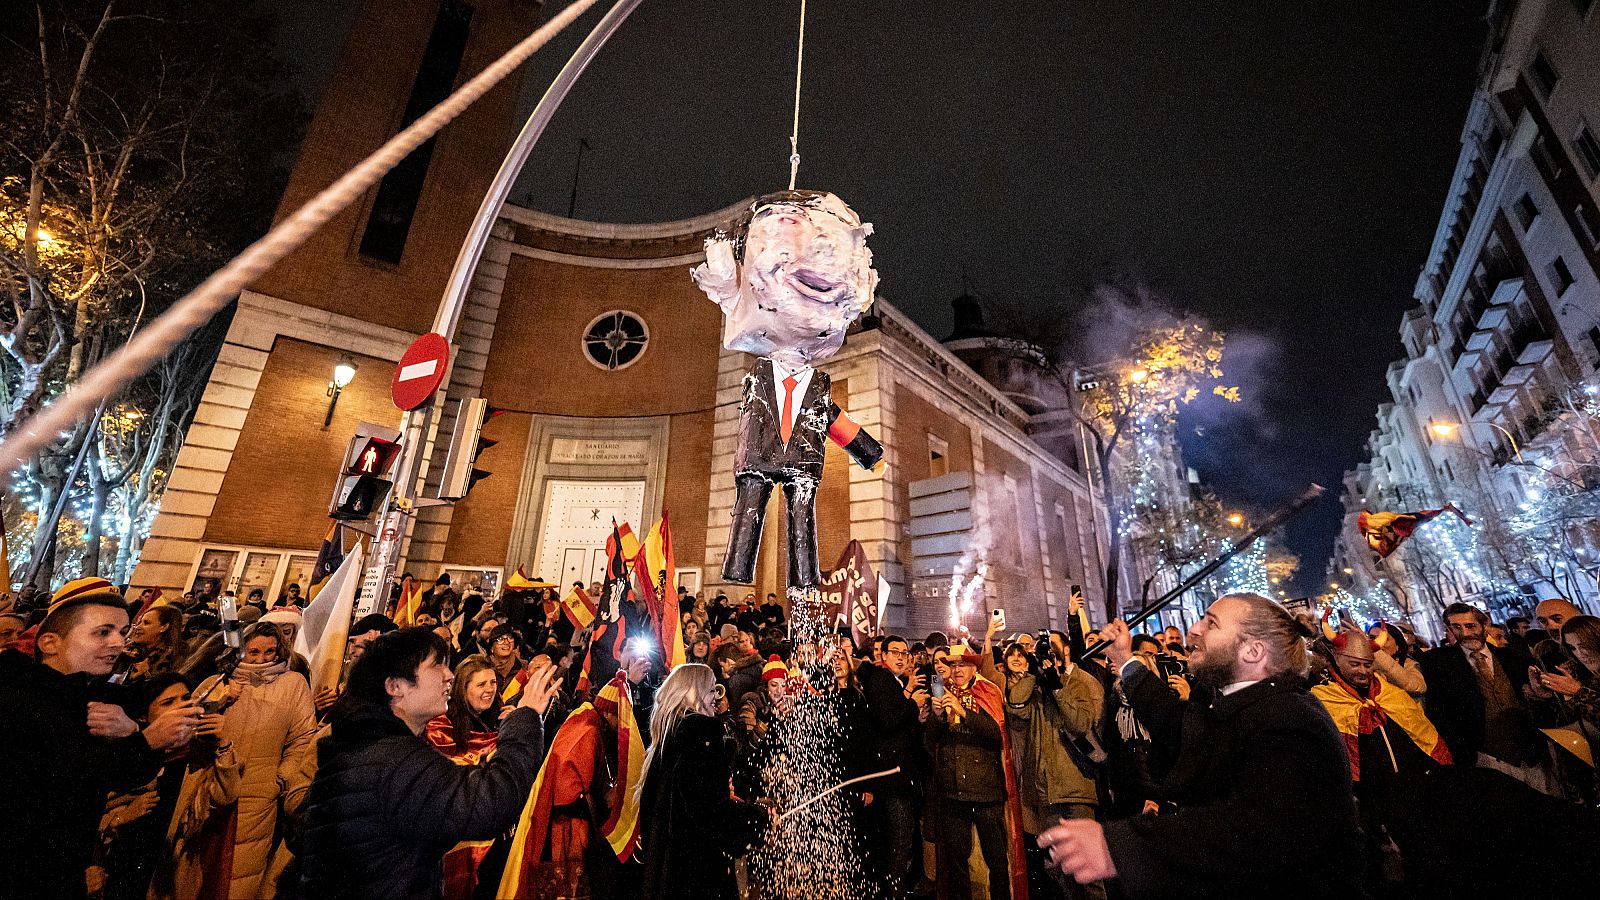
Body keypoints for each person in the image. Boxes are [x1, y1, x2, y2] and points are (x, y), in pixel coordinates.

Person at [1040, 593, 1362, 898]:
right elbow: (1177, 724)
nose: (1194, 629)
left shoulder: (1291, 721)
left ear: (1253, 651)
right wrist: (1125, 658)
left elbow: (1254, 831)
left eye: (1211, 623)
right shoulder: (1243, 705)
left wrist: (1118, 847)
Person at [299, 628, 560, 898]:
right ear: (395, 686)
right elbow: (489, 804)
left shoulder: (372, 745)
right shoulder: (394, 760)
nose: (449, 675)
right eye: (437, 665)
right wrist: (526, 717)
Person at [0, 578, 201, 898]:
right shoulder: (18, 698)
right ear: (50, 643)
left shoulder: (85, 694)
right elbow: (61, 781)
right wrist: (146, 740)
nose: (118, 644)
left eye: (122, 633)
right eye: (102, 632)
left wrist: (136, 734)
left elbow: (123, 773)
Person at [158, 622, 317, 898]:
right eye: (254, 651)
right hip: (207, 787)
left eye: (270, 651)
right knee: (191, 869)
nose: (262, 659)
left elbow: (302, 739)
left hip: (258, 795)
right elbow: (184, 729)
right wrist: (219, 702)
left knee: (238, 875)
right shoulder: (217, 683)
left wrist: (280, 779)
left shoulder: (293, 684)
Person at [497, 670, 640, 899]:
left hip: (568, 822)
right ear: (610, 712)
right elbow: (570, 793)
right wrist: (603, 801)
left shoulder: (588, 723)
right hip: (566, 828)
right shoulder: (587, 732)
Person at [639, 663, 767, 899]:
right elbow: (710, 814)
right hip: (698, 875)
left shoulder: (666, 741)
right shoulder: (701, 735)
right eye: (710, 691)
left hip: (668, 875)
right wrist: (757, 819)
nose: (715, 699)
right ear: (694, 694)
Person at [1004, 636, 1105, 900]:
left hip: (1075, 787)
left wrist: (1057, 686)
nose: (1047, 652)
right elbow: (1015, 705)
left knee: (1088, 871)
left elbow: (1081, 724)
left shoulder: (1083, 682)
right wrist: (1034, 673)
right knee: (1058, 868)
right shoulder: (1039, 685)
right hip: (1046, 790)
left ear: (1067, 650)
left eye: (1052, 647)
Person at [1420, 602, 1556, 791]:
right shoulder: (1437, 662)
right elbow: (1438, 712)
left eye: (1470, 626)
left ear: (1484, 625)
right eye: (1457, 627)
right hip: (1484, 758)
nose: (1466, 633)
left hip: (1530, 752)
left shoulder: (1512, 657)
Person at [926, 644, 1024, 900]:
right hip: (953, 793)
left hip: (986, 792)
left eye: (963, 665)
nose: (957, 670)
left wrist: (963, 712)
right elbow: (930, 742)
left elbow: (995, 735)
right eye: (953, 665)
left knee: (996, 860)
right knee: (957, 862)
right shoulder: (940, 689)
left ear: (974, 668)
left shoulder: (987, 691)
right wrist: (937, 716)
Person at [423, 655, 507, 900]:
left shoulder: (499, 719)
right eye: (481, 685)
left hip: (493, 831)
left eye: (493, 683)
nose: (490, 690)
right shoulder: (441, 725)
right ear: (463, 687)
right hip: (454, 831)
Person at [123, 604, 188, 682]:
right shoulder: (127, 650)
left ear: (164, 627)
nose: (137, 627)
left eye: (146, 623)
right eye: (139, 622)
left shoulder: (176, 658)